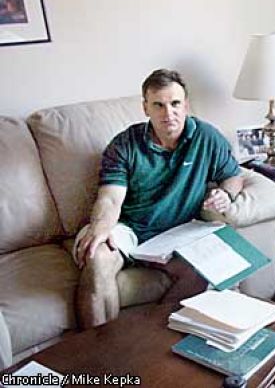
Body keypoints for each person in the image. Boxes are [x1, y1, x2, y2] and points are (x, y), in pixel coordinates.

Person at [74, 69, 244, 328]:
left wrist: (226, 194)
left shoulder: (207, 137)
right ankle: (100, 344)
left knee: (208, 268)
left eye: (175, 103)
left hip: (179, 232)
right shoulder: (124, 145)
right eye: (158, 105)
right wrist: (100, 227)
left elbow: (233, 176)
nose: (168, 113)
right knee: (97, 255)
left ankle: (155, 331)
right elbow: (110, 199)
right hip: (130, 229)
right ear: (145, 108)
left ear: (185, 104)